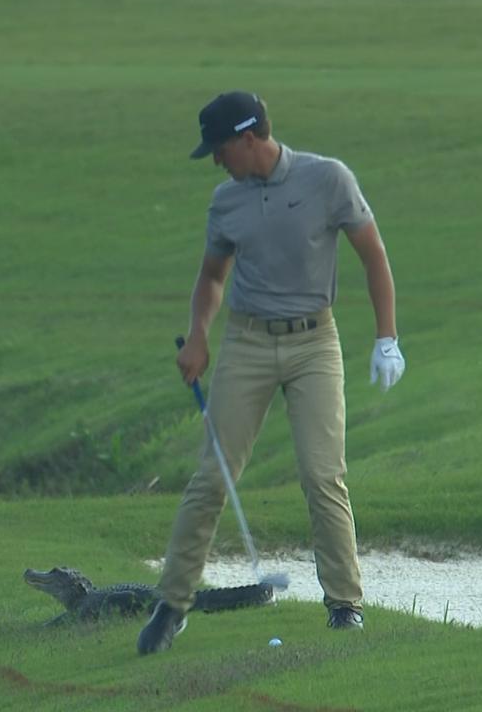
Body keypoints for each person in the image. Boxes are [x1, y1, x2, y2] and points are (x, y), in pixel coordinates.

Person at [138, 91, 404, 655]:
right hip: (247, 342)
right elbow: (212, 278)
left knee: (322, 474)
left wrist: (387, 339)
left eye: (219, 149)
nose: (215, 161)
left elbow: (373, 255)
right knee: (212, 477)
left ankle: (344, 605)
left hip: (315, 344)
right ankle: (173, 604)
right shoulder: (226, 201)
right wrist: (200, 336)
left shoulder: (327, 180)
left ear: (248, 139)